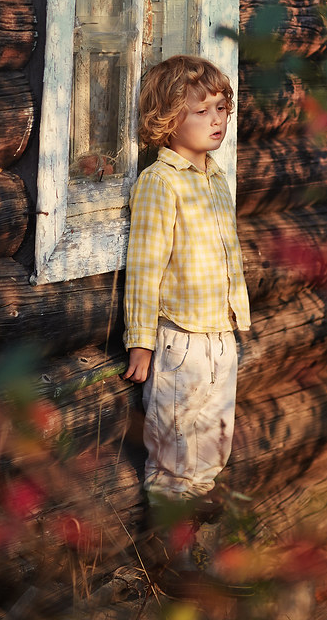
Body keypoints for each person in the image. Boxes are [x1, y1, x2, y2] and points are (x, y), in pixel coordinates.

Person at [123, 54, 251, 522]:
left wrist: (237, 323)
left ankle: (195, 546)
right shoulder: (160, 182)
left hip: (220, 335)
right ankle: (169, 556)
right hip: (181, 342)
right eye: (202, 111)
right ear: (167, 119)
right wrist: (140, 342)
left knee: (213, 443)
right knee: (177, 445)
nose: (217, 120)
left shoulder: (215, 178)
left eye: (221, 108)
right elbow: (144, 267)